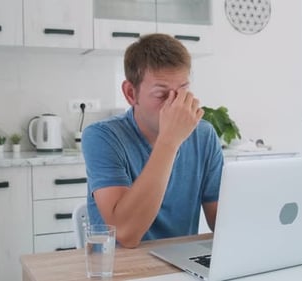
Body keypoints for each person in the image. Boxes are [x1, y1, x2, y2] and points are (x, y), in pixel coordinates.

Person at [82, 33, 224, 248]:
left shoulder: (204, 135)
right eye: (161, 95)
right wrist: (170, 140)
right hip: (120, 268)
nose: (176, 105)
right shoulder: (102, 136)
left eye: (183, 91)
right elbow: (125, 233)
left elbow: (222, 222)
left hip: (179, 263)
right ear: (131, 93)